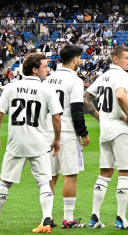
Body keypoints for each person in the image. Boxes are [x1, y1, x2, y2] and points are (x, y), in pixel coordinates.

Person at [0, 53, 63, 233]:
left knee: (4, 183)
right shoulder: (47, 89)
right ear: (35, 70)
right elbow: (56, 118)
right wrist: (57, 140)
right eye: (45, 67)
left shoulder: (12, 87)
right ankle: (45, 222)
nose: (48, 70)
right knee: (44, 182)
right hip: (39, 143)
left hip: (16, 143)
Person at [84, 45, 128, 229]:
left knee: (105, 173)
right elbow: (121, 95)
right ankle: (121, 219)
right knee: (125, 172)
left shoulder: (104, 76)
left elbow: (86, 97)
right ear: (116, 59)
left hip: (105, 131)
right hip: (121, 130)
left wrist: (100, 117)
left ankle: (94, 217)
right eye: (127, 57)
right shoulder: (122, 75)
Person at [45, 44, 89, 230]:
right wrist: (83, 133)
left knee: (50, 176)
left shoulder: (48, 78)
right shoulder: (75, 80)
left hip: (47, 131)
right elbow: (77, 110)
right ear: (75, 59)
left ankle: (46, 217)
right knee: (70, 175)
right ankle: (68, 218)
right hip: (67, 132)